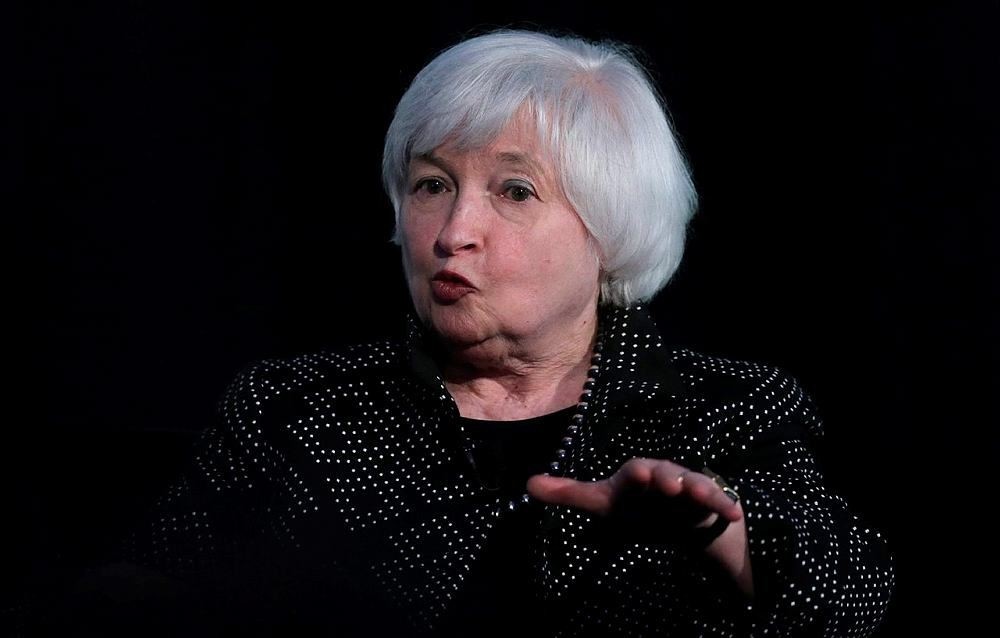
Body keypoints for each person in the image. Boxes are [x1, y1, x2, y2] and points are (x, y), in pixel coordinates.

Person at [32, 28, 894, 637]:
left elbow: (855, 603)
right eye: (431, 184)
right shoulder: (286, 408)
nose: (451, 234)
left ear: (610, 229)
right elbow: (137, 602)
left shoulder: (728, 408)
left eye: (514, 192)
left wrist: (722, 537)